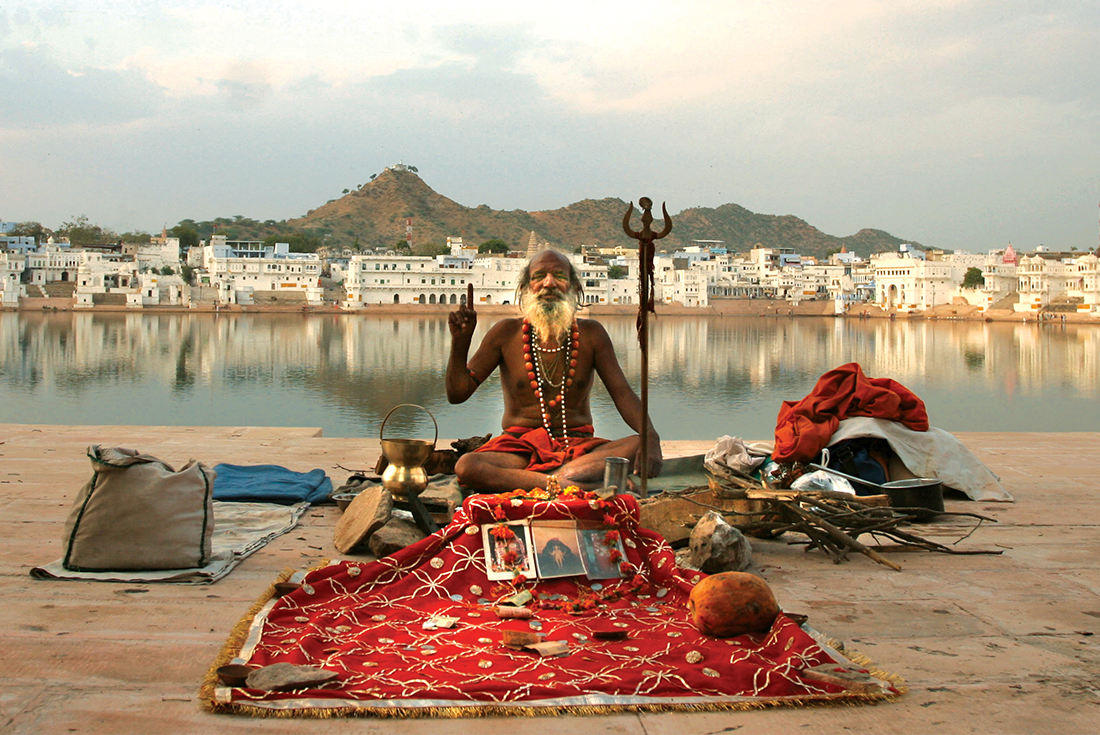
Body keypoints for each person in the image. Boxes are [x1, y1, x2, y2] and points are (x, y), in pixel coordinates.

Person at [446, 249, 662, 493]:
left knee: (638, 444)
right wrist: (460, 343)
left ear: (574, 287)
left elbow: (622, 393)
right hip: (519, 450)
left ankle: (541, 480)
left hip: (579, 448)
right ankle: (572, 483)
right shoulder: (506, 332)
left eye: (559, 276)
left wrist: (651, 435)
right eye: (539, 276)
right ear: (526, 287)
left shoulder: (592, 334)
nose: (549, 283)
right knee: (467, 466)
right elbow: (457, 394)